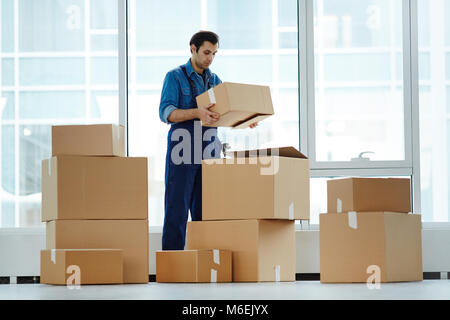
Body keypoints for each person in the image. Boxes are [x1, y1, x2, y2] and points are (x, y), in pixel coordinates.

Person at [159, 31, 257, 250]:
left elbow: (225, 114)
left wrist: (245, 119)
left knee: (207, 212)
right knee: (177, 210)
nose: (210, 58)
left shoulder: (215, 81)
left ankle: (204, 265)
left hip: (209, 151)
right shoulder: (174, 77)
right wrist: (197, 113)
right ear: (192, 48)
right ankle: (172, 266)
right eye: (206, 52)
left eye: (214, 53)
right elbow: (166, 113)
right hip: (182, 150)